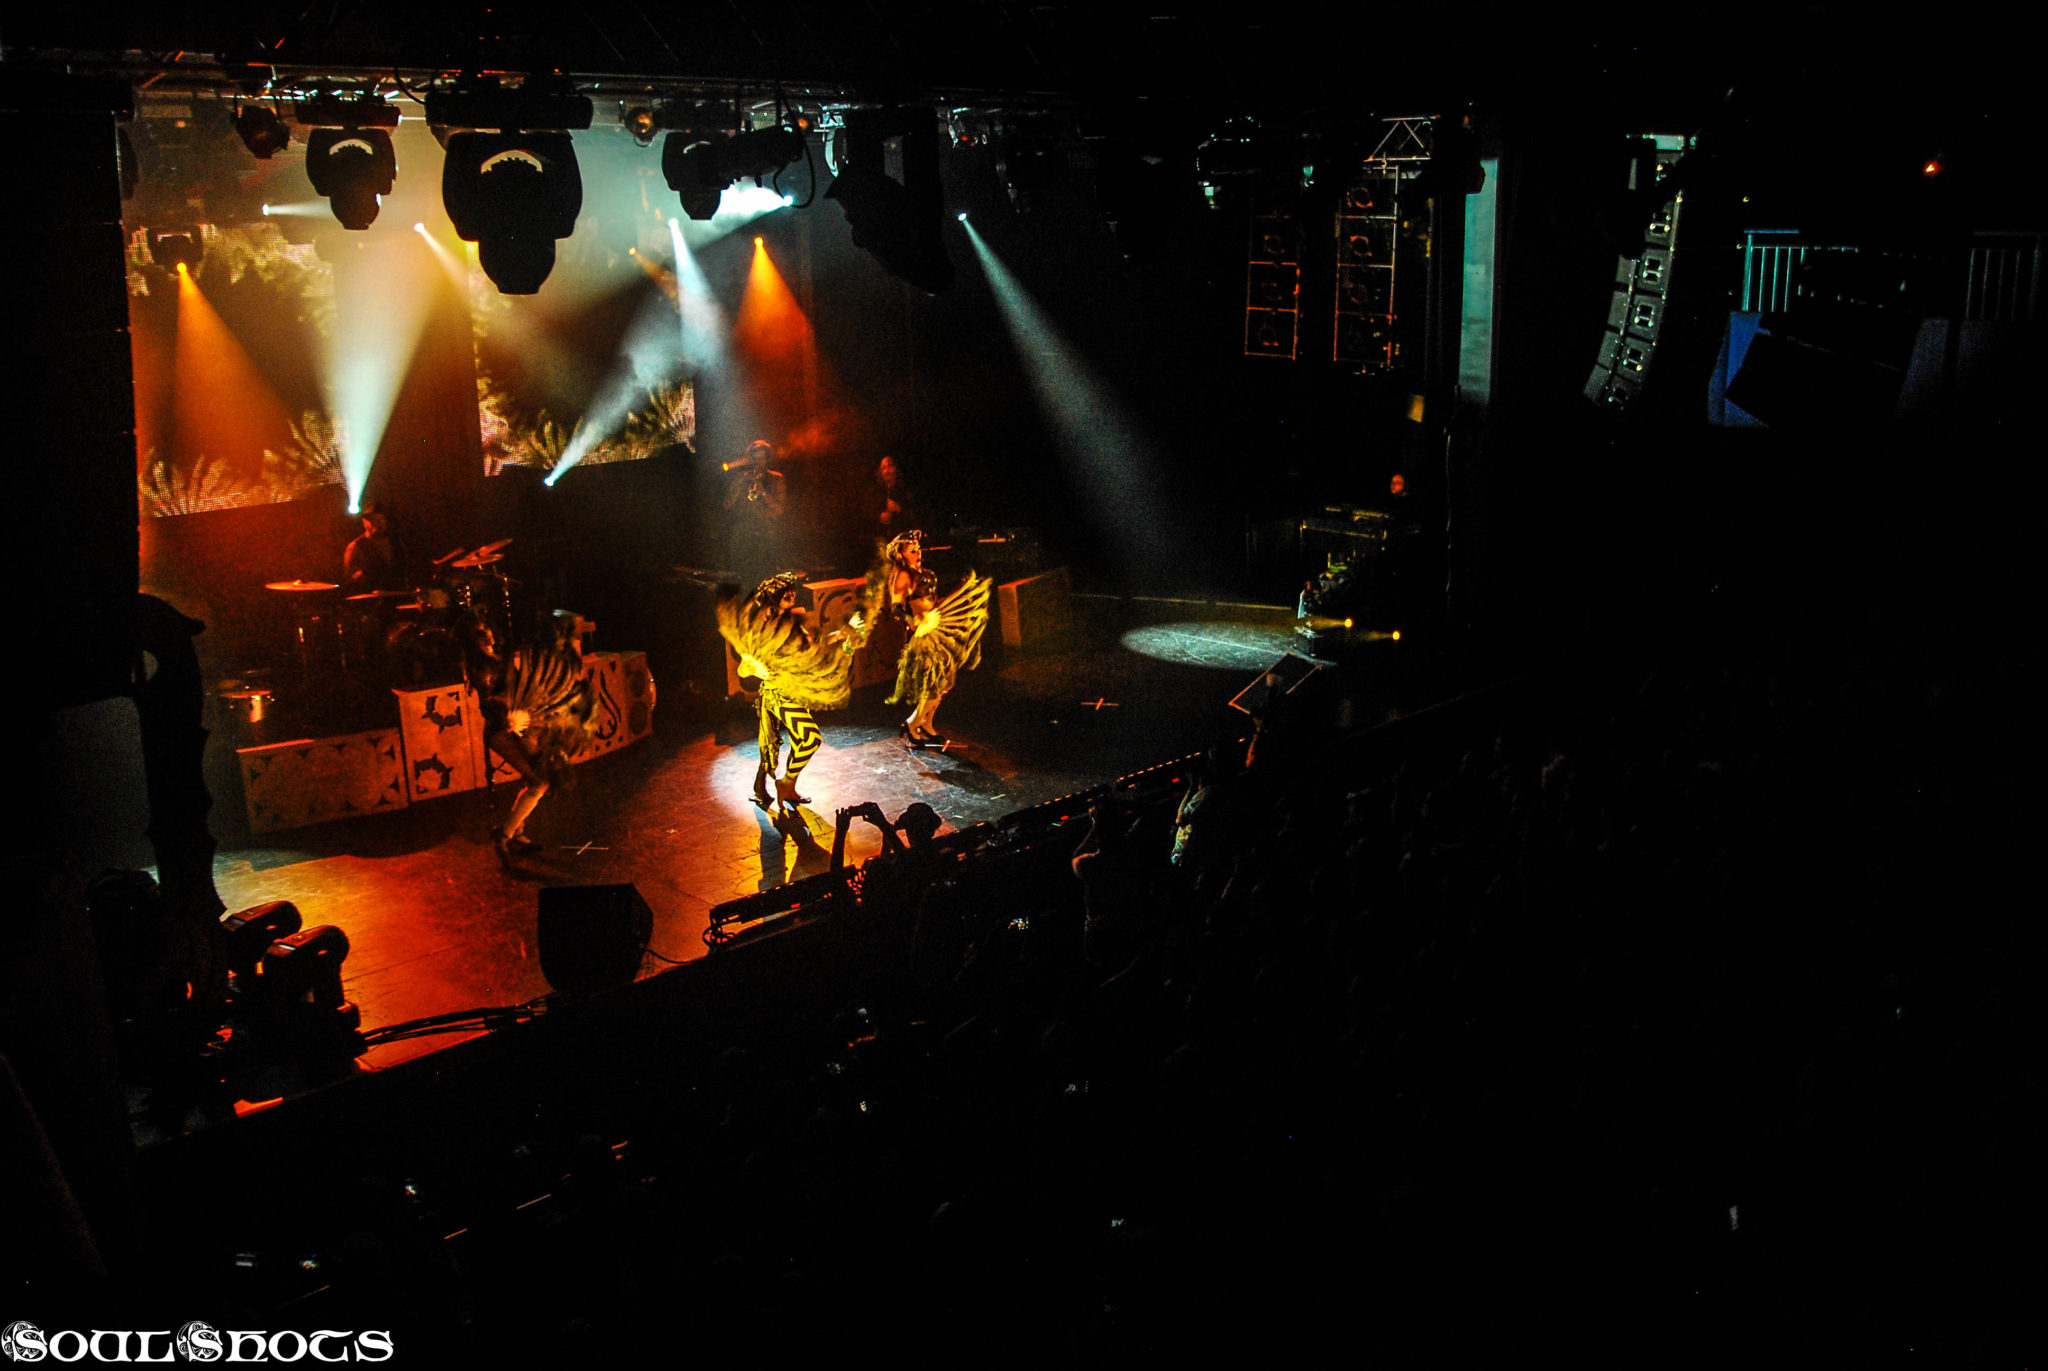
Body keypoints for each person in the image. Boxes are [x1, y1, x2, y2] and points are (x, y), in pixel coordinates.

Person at [718, 571, 861, 809]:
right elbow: (744, 669)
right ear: (775, 597)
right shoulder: (766, 627)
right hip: (779, 694)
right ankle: (785, 784)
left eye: (793, 591)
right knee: (808, 739)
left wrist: (842, 634)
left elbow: (812, 646)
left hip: (791, 689)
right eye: (787, 592)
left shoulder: (790, 623)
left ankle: (775, 787)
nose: (792, 594)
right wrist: (754, 667)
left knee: (782, 742)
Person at [864, 531, 989, 747]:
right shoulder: (903, 575)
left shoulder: (924, 573)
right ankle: (913, 723)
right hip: (922, 633)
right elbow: (896, 607)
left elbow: (931, 599)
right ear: (901, 555)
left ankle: (926, 723)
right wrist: (912, 620)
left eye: (918, 550)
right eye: (912, 551)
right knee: (934, 682)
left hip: (936, 628)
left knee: (944, 682)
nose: (918, 553)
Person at [483, 627, 595, 862]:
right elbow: (488, 704)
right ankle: (505, 835)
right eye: (481, 632)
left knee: (534, 781)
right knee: (538, 782)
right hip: (501, 732)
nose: (488, 634)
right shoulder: (486, 666)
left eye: (487, 629)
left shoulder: (499, 661)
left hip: (514, 729)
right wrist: (509, 712)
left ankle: (516, 834)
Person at [723, 439, 787, 586]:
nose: (757, 462)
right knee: (742, 580)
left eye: (761, 459)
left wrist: (763, 492)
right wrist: (739, 485)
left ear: (767, 459)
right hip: (742, 537)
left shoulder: (776, 479)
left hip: (765, 537)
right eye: (755, 459)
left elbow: (779, 510)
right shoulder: (741, 478)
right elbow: (727, 505)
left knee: (764, 581)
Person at [343, 505, 405, 592]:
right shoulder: (357, 546)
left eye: (382, 520)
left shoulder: (395, 542)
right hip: (371, 596)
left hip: (396, 593)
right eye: (375, 520)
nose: (379, 523)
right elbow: (350, 576)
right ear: (365, 522)